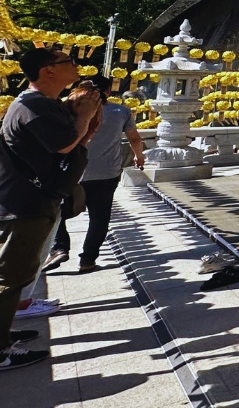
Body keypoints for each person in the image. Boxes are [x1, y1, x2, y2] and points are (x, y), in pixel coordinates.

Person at [0, 48, 98, 372]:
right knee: (9, 277)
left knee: (18, 273)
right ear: (48, 71)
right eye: (67, 62)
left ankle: (5, 333)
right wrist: (83, 118)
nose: (75, 66)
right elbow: (65, 144)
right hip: (22, 206)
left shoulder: (39, 103)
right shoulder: (34, 106)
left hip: (28, 202)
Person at [47, 75, 144, 273]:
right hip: (106, 173)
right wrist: (139, 156)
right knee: (99, 217)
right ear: (107, 91)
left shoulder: (70, 108)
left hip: (70, 171)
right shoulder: (120, 111)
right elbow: (134, 138)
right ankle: (88, 259)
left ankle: (59, 247)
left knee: (56, 210)